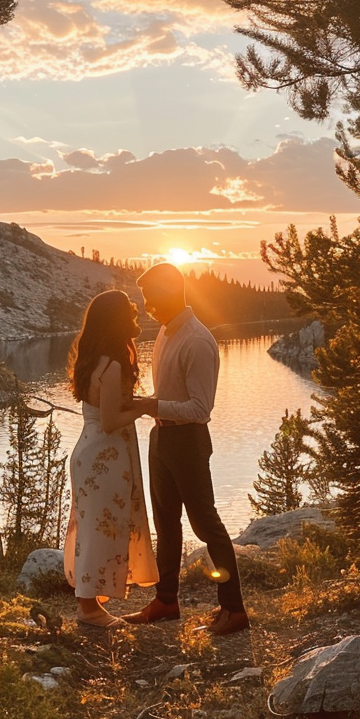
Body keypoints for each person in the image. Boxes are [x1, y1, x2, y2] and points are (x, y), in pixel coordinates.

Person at [124, 262, 249, 635]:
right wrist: (151, 406)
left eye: (152, 296)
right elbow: (168, 395)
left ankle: (234, 609)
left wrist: (151, 406)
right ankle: (166, 601)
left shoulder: (197, 341)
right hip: (162, 438)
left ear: (171, 293)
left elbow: (200, 409)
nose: (147, 305)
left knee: (205, 524)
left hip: (189, 442)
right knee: (166, 523)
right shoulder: (165, 333)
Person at [64, 290, 158, 628]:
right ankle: (88, 609)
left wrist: (137, 405)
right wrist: (146, 408)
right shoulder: (113, 363)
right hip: (104, 454)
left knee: (94, 527)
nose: (136, 318)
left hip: (90, 452)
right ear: (116, 321)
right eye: (130, 314)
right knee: (100, 529)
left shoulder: (96, 359)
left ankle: (92, 597)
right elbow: (110, 420)